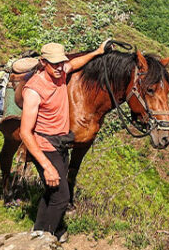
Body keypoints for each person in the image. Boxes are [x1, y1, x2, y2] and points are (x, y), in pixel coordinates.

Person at [20, 39, 110, 242]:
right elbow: (26, 133)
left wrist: (97, 51)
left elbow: (74, 63)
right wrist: (46, 166)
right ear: (43, 62)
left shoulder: (60, 73)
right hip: (45, 147)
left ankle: (39, 230)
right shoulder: (34, 90)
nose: (60, 67)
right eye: (54, 64)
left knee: (52, 192)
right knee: (62, 198)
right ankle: (47, 239)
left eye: (61, 62)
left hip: (60, 144)